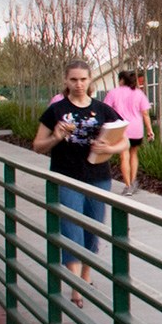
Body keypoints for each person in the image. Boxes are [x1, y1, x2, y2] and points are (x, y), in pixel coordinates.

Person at [32, 60, 130, 306]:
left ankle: (86, 274)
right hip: (66, 176)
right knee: (70, 228)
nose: (78, 84)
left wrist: (109, 148)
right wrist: (56, 137)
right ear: (66, 81)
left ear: (90, 81)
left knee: (93, 228)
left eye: (83, 79)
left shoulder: (103, 109)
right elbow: (38, 146)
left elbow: (125, 141)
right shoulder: (55, 111)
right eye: (74, 79)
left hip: (99, 177)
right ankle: (75, 285)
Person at [104, 69, 153, 195]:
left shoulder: (113, 93)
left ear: (121, 80)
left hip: (121, 129)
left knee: (124, 156)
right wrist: (149, 130)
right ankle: (133, 181)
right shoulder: (139, 93)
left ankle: (127, 186)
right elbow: (145, 113)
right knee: (134, 154)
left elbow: (106, 110)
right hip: (137, 129)